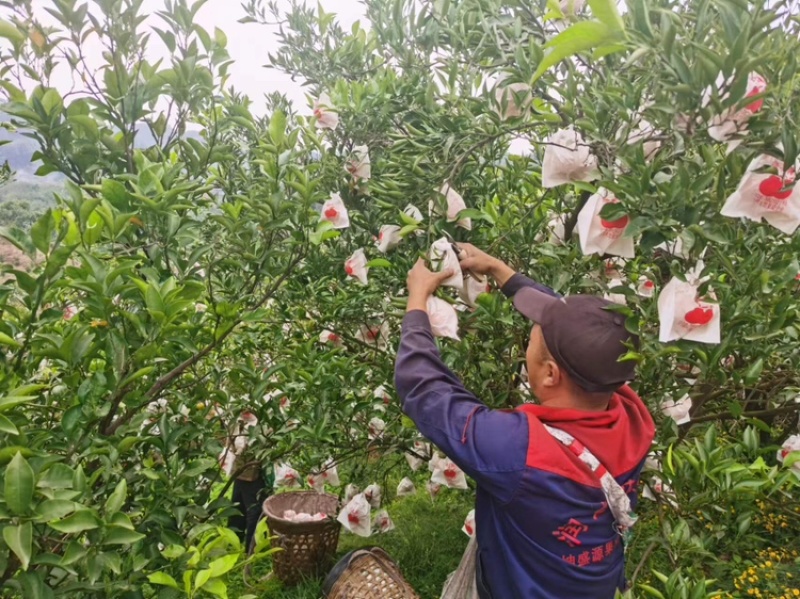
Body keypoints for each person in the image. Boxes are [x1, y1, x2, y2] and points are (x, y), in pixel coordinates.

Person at [394, 244, 655, 599]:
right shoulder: (631, 412)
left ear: (550, 373)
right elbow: (589, 333)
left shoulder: (520, 450)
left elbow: (424, 391)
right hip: (595, 586)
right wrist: (500, 271)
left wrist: (417, 302)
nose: (531, 335)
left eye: (534, 337)